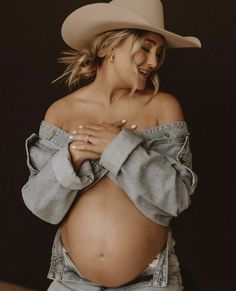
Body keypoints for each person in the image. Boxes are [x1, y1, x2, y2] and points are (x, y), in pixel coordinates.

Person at [21, 0, 201, 290]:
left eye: (158, 52)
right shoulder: (61, 112)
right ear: (108, 47)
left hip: (150, 282)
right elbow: (42, 206)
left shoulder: (163, 108)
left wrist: (119, 148)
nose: (153, 62)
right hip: (70, 281)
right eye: (145, 47)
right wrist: (74, 155)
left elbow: (176, 199)